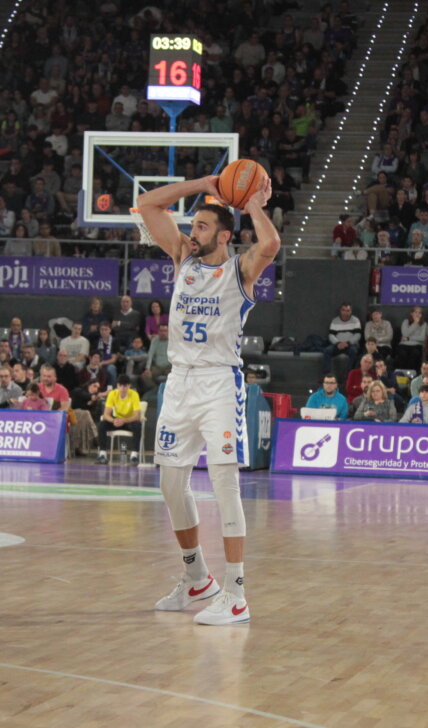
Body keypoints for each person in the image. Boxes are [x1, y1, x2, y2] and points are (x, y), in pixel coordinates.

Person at [137, 170, 279, 626]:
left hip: (219, 382)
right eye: (193, 225)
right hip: (178, 381)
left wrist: (251, 202)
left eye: (201, 226)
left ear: (223, 234)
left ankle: (236, 595)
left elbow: (271, 245)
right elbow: (147, 205)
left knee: (224, 485)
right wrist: (202, 183)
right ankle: (197, 578)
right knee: (170, 484)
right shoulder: (183, 257)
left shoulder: (240, 268)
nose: (191, 231)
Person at [95, 376, 143, 464]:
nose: (123, 388)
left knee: (137, 425)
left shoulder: (134, 394)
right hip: (116, 420)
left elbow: (137, 416)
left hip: (129, 421)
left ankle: (134, 455)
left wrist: (124, 420)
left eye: (125, 386)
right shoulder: (112, 394)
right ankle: (102, 454)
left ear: (129, 386)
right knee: (102, 424)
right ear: (117, 386)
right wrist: (113, 421)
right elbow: (106, 414)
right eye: (120, 385)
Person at [322, 302, 361, 376]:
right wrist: (338, 343)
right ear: (340, 311)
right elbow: (331, 335)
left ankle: (349, 376)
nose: (345, 313)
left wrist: (348, 343)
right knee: (327, 351)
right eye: (343, 310)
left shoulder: (356, 320)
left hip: (350, 345)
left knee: (354, 352)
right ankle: (327, 376)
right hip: (337, 344)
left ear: (351, 311)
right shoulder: (335, 321)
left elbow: (357, 335)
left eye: (348, 310)